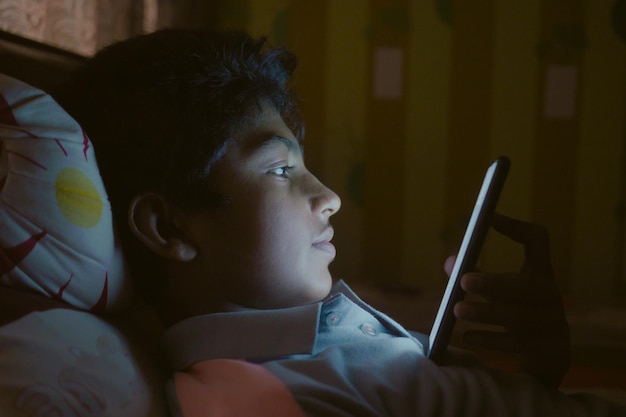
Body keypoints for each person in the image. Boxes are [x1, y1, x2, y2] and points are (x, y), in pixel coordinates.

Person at [54, 28, 625, 416]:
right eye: (280, 169)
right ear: (168, 228)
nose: (329, 197)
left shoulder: (311, 355)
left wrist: (536, 374)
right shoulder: (249, 395)